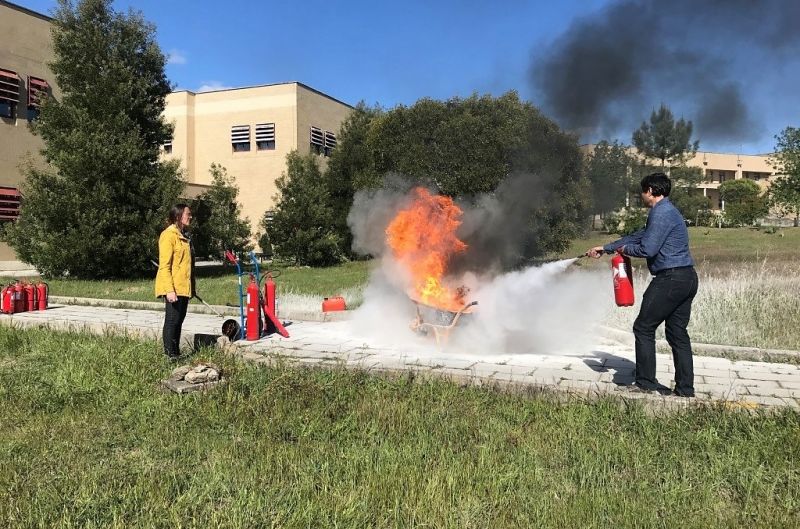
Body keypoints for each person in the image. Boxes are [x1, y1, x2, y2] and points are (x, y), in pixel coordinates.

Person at [587, 172, 698, 397]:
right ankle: (685, 389)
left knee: (643, 327)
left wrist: (623, 250)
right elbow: (641, 235)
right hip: (687, 278)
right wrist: (607, 247)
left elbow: (647, 249)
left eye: (642, 191)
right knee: (677, 333)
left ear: (650, 191)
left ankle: (645, 383)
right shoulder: (667, 211)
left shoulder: (661, 213)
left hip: (670, 279)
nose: (641, 195)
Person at [155, 204, 195, 360]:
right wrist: (169, 290)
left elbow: (186, 266)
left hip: (183, 288)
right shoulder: (168, 235)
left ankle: (176, 353)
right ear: (178, 216)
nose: (190, 217)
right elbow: (164, 266)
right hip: (173, 288)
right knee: (172, 321)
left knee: (179, 321)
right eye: (188, 214)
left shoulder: (183, 236)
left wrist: (193, 288)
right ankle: (169, 355)